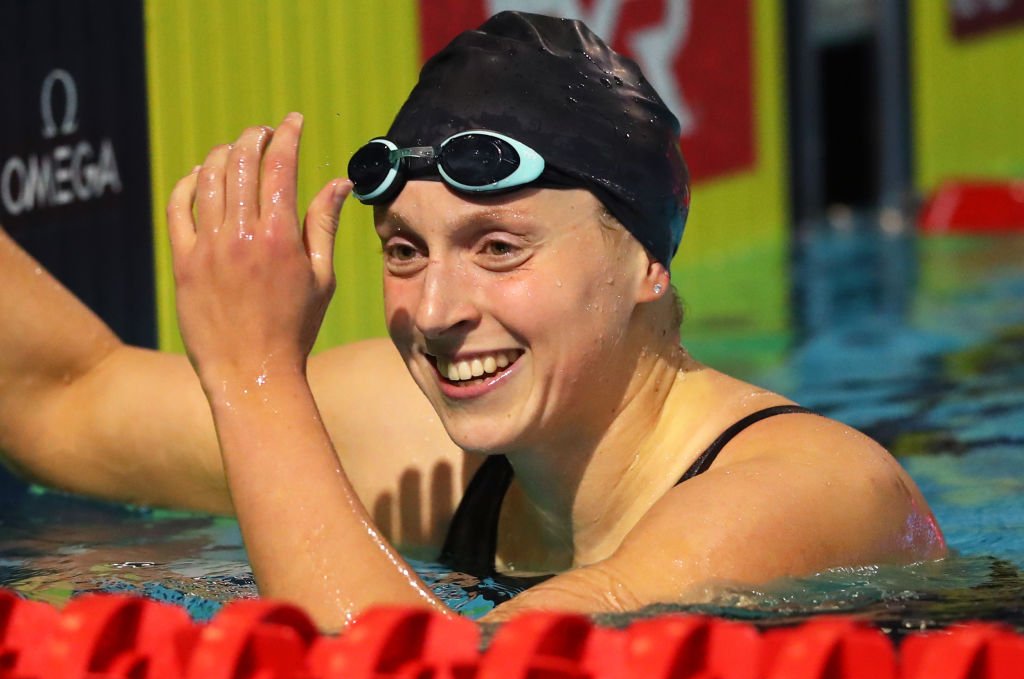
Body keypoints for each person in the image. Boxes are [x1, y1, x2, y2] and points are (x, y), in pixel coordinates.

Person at [0, 12, 944, 630]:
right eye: (405, 250)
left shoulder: (802, 492)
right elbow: (66, 397)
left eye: (500, 248)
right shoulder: (412, 437)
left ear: (649, 260)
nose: (439, 314)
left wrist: (256, 375)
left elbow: (439, 671)